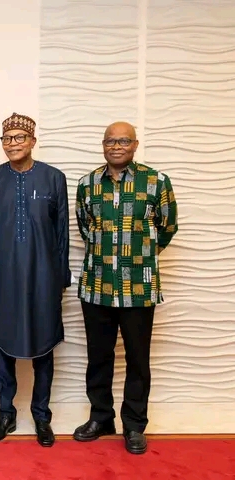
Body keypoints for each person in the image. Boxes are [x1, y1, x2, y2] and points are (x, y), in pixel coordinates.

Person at [73, 121, 178, 454]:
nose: (116, 146)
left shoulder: (156, 182)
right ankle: (100, 418)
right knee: (98, 357)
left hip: (139, 287)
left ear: (135, 145)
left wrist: (141, 254)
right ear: (103, 145)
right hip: (98, 284)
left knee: (137, 360)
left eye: (123, 141)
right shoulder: (87, 184)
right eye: (110, 141)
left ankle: (134, 425)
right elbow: (85, 227)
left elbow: (168, 226)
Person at [0, 113, 70, 447]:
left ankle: (42, 417)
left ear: (32, 141)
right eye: (7, 138)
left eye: (19, 138)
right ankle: (6, 414)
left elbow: (62, 234)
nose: (12, 144)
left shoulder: (54, 178)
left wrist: (61, 278)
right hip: (2, 276)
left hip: (44, 276)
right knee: (3, 346)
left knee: (44, 345)